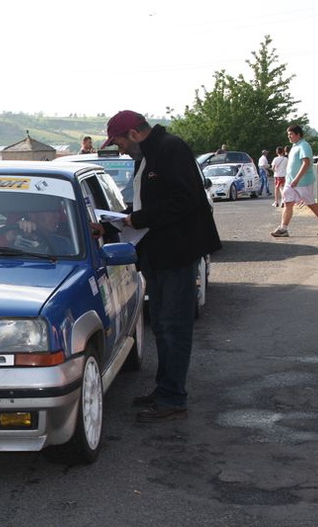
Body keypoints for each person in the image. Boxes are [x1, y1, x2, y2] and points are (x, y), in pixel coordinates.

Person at [102, 110, 221, 422]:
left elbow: (181, 201)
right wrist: (112, 225)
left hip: (177, 254)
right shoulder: (148, 156)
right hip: (157, 254)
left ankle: (173, 397)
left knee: (174, 327)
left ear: (132, 133)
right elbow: (145, 206)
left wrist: (133, 220)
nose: (120, 149)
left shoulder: (170, 148)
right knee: (164, 326)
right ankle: (165, 390)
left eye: (119, 142)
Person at [270, 125, 318, 237]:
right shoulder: (295, 146)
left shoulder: (304, 146)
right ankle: (283, 228)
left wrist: (297, 179)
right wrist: (291, 180)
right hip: (291, 182)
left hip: (302, 182)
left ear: (298, 134)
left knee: (311, 203)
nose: (289, 137)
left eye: (291, 134)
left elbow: (306, 163)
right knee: (288, 202)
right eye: (288, 135)